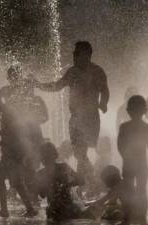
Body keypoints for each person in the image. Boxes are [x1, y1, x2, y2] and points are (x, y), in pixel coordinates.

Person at [34, 41, 110, 190]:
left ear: (87, 54)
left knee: (81, 153)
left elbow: (105, 90)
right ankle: (85, 185)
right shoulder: (72, 72)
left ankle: (90, 182)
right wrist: (39, 85)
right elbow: (57, 86)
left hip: (91, 118)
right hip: (75, 118)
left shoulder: (97, 71)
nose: (74, 56)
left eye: (77, 53)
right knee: (80, 153)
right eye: (74, 53)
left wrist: (104, 103)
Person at [0, 92, 37, 218]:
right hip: (15, 150)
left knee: (0, 178)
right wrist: (0, 142)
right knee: (18, 182)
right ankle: (30, 209)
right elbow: (12, 133)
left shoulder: (7, 113)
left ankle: (5, 210)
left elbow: (12, 131)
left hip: (13, 152)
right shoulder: (6, 111)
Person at [118, 95, 148, 225]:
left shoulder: (124, 127)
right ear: (144, 111)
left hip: (128, 163)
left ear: (128, 111)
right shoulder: (147, 128)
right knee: (141, 189)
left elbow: (120, 145)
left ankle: (127, 213)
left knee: (128, 188)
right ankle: (142, 214)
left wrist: (125, 157)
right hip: (142, 164)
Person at [36, 142, 91, 222]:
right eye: (45, 155)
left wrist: (67, 184)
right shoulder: (62, 167)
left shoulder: (61, 168)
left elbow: (81, 181)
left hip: (57, 210)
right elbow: (81, 180)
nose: (47, 158)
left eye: (48, 155)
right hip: (63, 209)